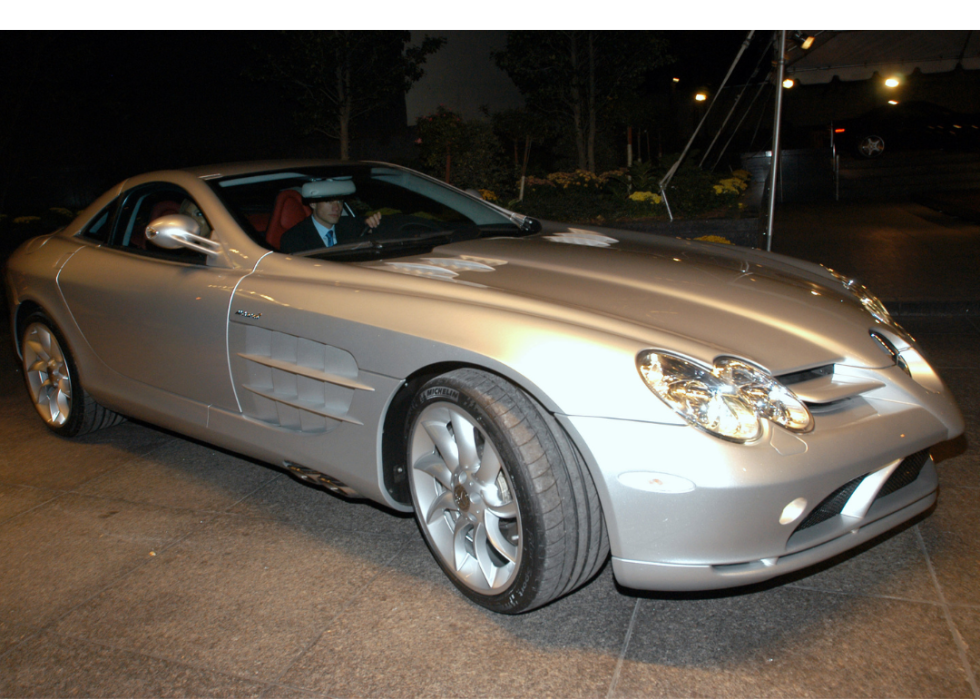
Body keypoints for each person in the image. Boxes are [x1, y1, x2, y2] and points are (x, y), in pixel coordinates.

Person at [279, 179, 381, 254]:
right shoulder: (293, 239)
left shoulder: (352, 225)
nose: (336, 208)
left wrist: (373, 224)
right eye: (329, 201)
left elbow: (385, 226)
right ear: (313, 204)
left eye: (339, 201)